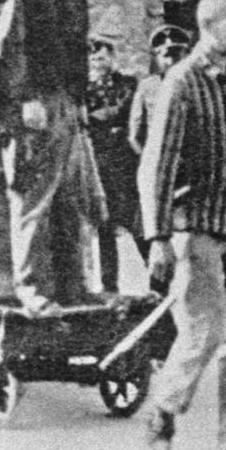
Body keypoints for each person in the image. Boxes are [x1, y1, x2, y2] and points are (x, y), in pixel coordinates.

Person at [138, 0, 226, 450]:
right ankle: (163, 412)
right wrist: (158, 239)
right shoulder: (180, 82)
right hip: (194, 226)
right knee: (205, 330)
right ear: (209, 26)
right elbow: (156, 164)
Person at [0, 0, 106, 314]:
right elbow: (12, 49)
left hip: (66, 108)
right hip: (35, 109)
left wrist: (79, 103)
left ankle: (73, 286)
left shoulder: (77, 0)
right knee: (34, 201)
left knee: (71, 200)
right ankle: (31, 290)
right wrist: (25, 98)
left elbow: (78, 56)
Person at [85, 14, 146, 293]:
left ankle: (157, 280)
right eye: (94, 59)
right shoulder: (83, 91)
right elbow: (85, 119)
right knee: (105, 226)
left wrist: (103, 120)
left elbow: (127, 111)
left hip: (126, 164)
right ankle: (110, 285)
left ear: (113, 58)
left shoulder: (128, 84)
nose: (99, 62)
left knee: (137, 222)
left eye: (103, 57)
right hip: (100, 164)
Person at [129, 23, 192, 157]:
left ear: (187, 55)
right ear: (157, 58)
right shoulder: (147, 86)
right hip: (158, 159)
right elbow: (134, 134)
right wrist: (148, 161)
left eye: (176, 55)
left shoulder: (198, 85)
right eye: (165, 56)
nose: (170, 61)